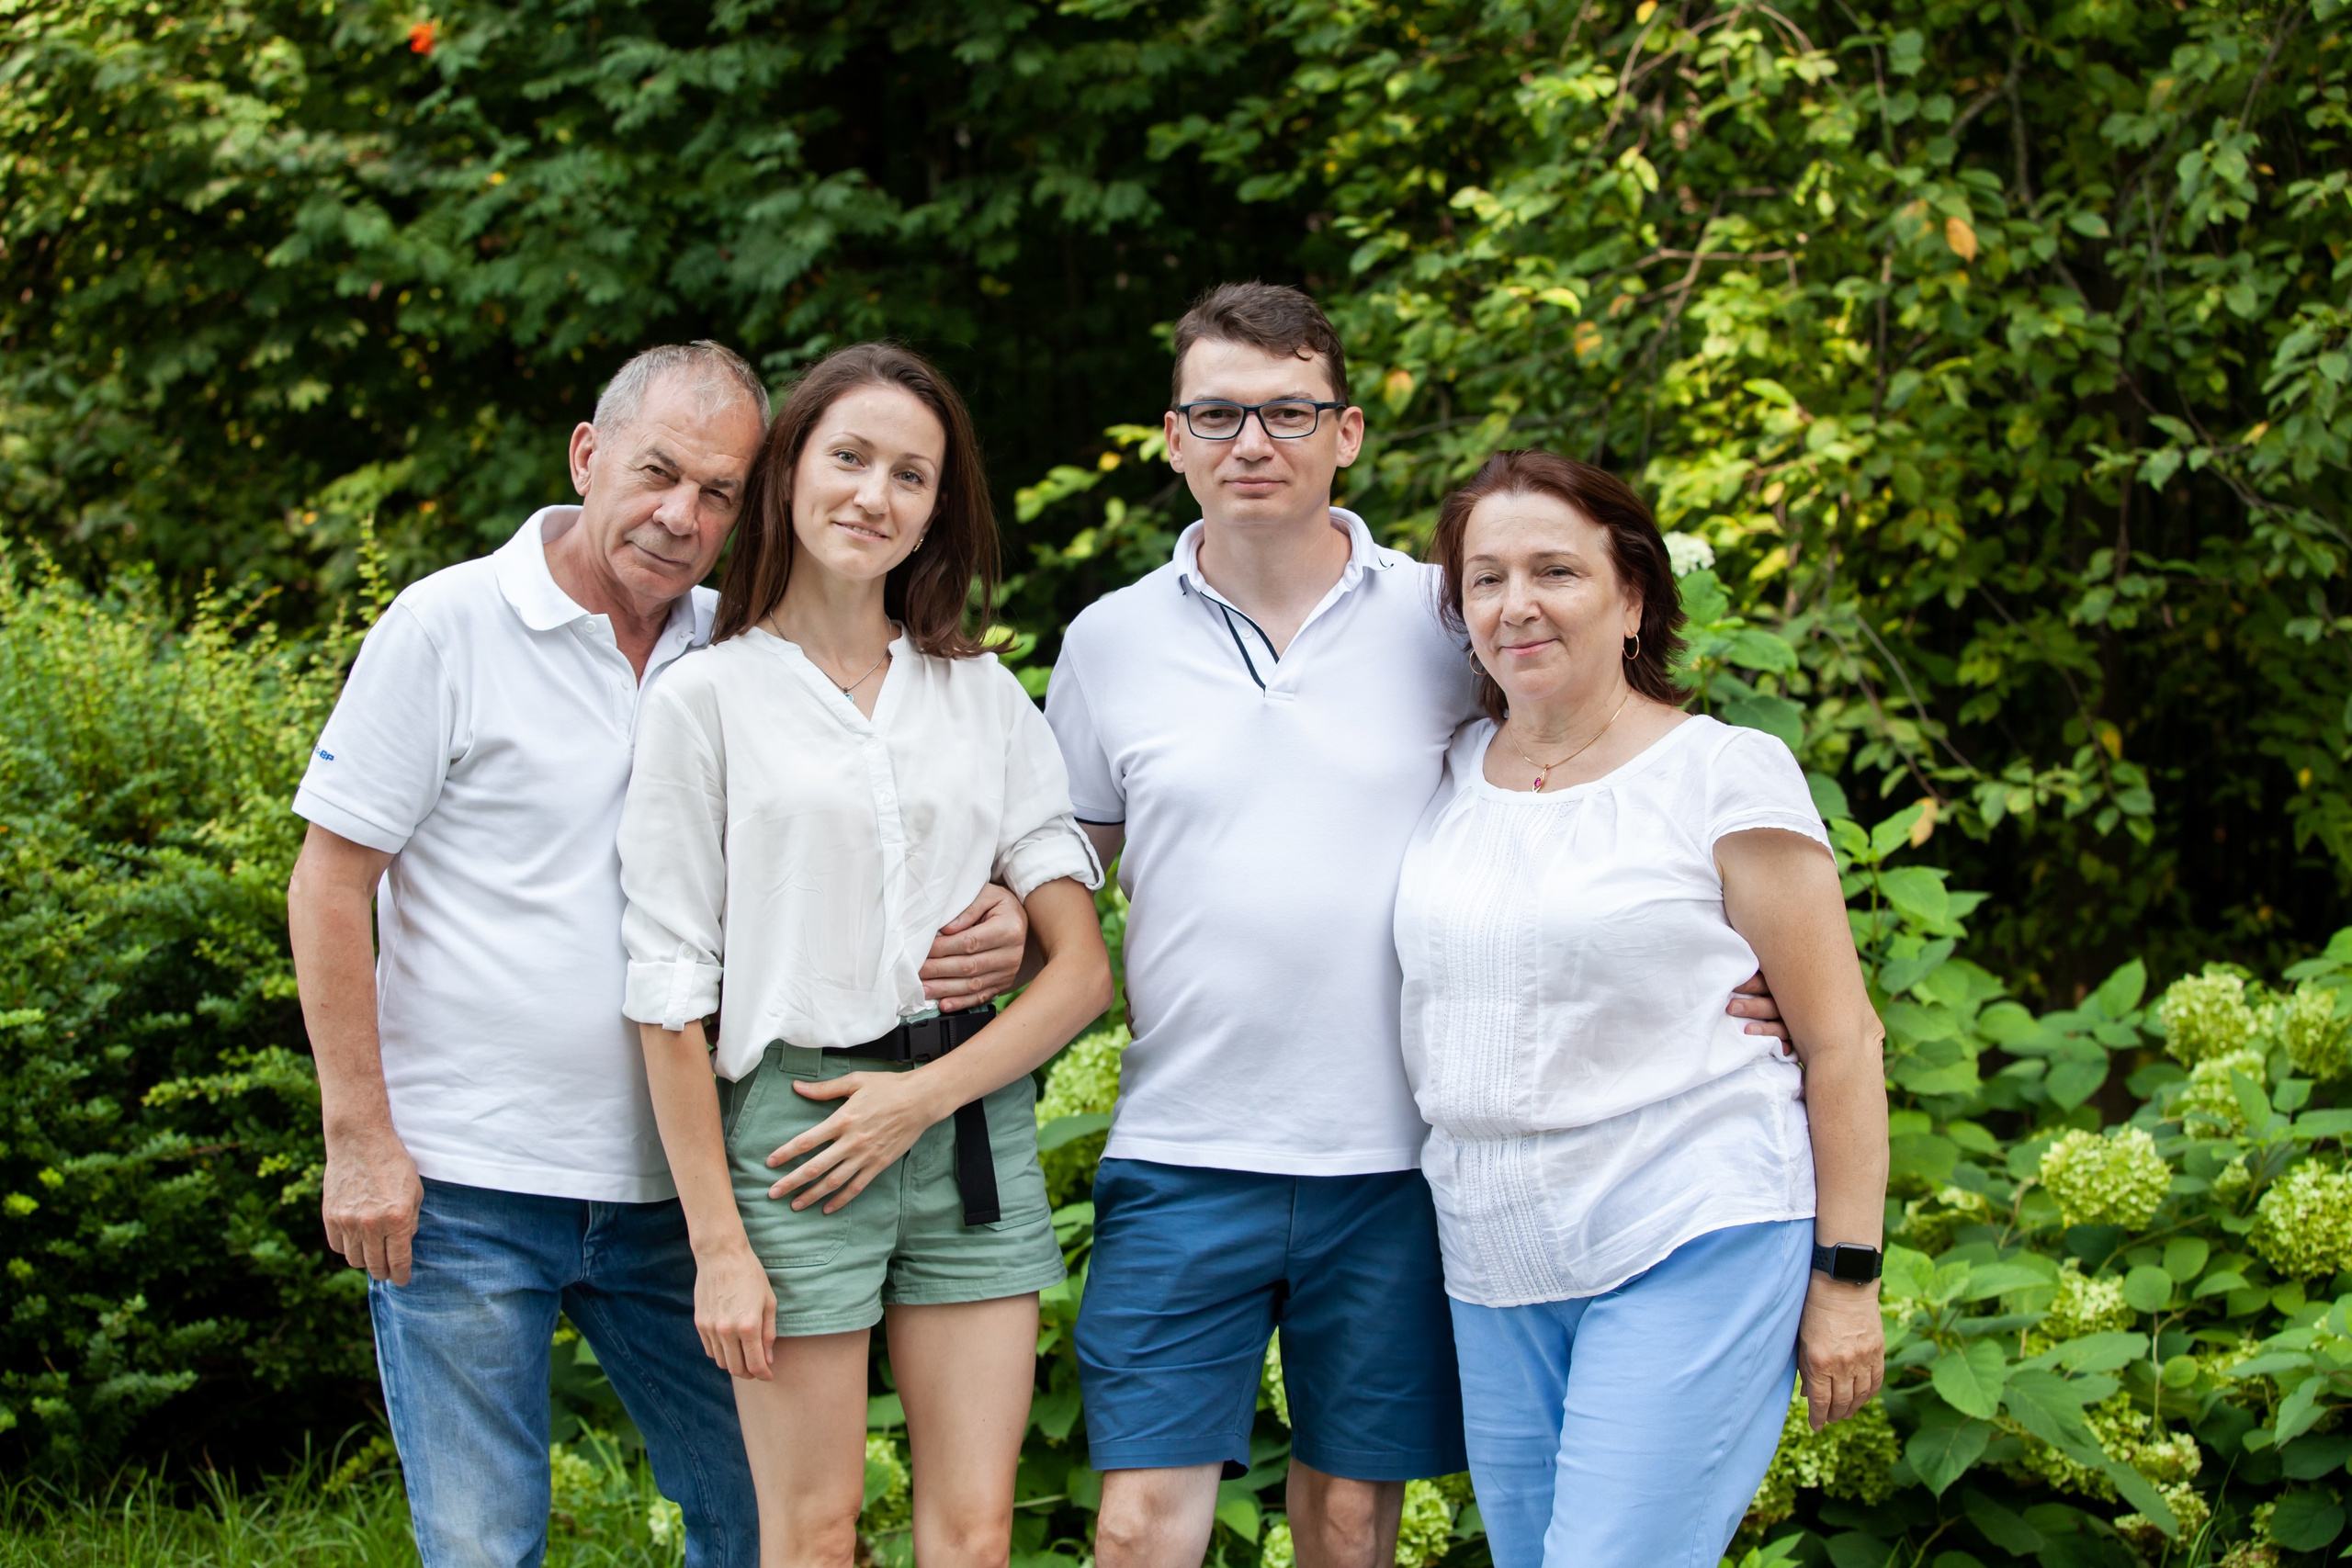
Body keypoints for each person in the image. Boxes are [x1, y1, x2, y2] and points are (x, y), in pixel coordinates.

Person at [1041, 283, 1792, 1568]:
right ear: (1173, 438)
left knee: (1349, 1523)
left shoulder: (1452, 613)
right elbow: (1067, 867)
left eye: (1288, 411)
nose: (1252, 441)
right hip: (1184, 1144)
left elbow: (1596, 770)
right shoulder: (1106, 643)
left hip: (1397, 1160)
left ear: (1347, 431)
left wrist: (1731, 960)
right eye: (1217, 414)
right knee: (1136, 1525)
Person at [285, 342, 1032, 1568]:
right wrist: (358, 1134)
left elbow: (865, 829)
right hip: (471, 1179)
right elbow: (329, 880)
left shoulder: (729, 648)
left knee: (758, 1518)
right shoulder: (447, 626)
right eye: (657, 473)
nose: (681, 516)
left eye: (718, 491)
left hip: (685, 1182)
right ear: (588, 455)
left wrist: (1000, 900)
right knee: (482, 1543)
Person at [617, 343, 1114, 1568]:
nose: (873, 495)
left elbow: (1079, 973)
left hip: (968, 1124)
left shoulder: (981, 693)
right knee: (813, 1531)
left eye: (910, 474)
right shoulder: (705, 700)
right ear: (790, 471)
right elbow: (668, 992)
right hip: (798, 1140)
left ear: (936, 509)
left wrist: (924, 1097)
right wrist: (718, 1246)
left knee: (975, 1532)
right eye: (848, 457)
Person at [1393, 450, 1889, 1568]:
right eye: (1484, 578)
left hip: (1689, 1222)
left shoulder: (1721, 774)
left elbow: (1842, 1038)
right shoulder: (1445, 771)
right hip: (1492, 1249)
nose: (1516, 604)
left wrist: (1847, 1278)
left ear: (1632, 599)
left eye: (1555, 571)